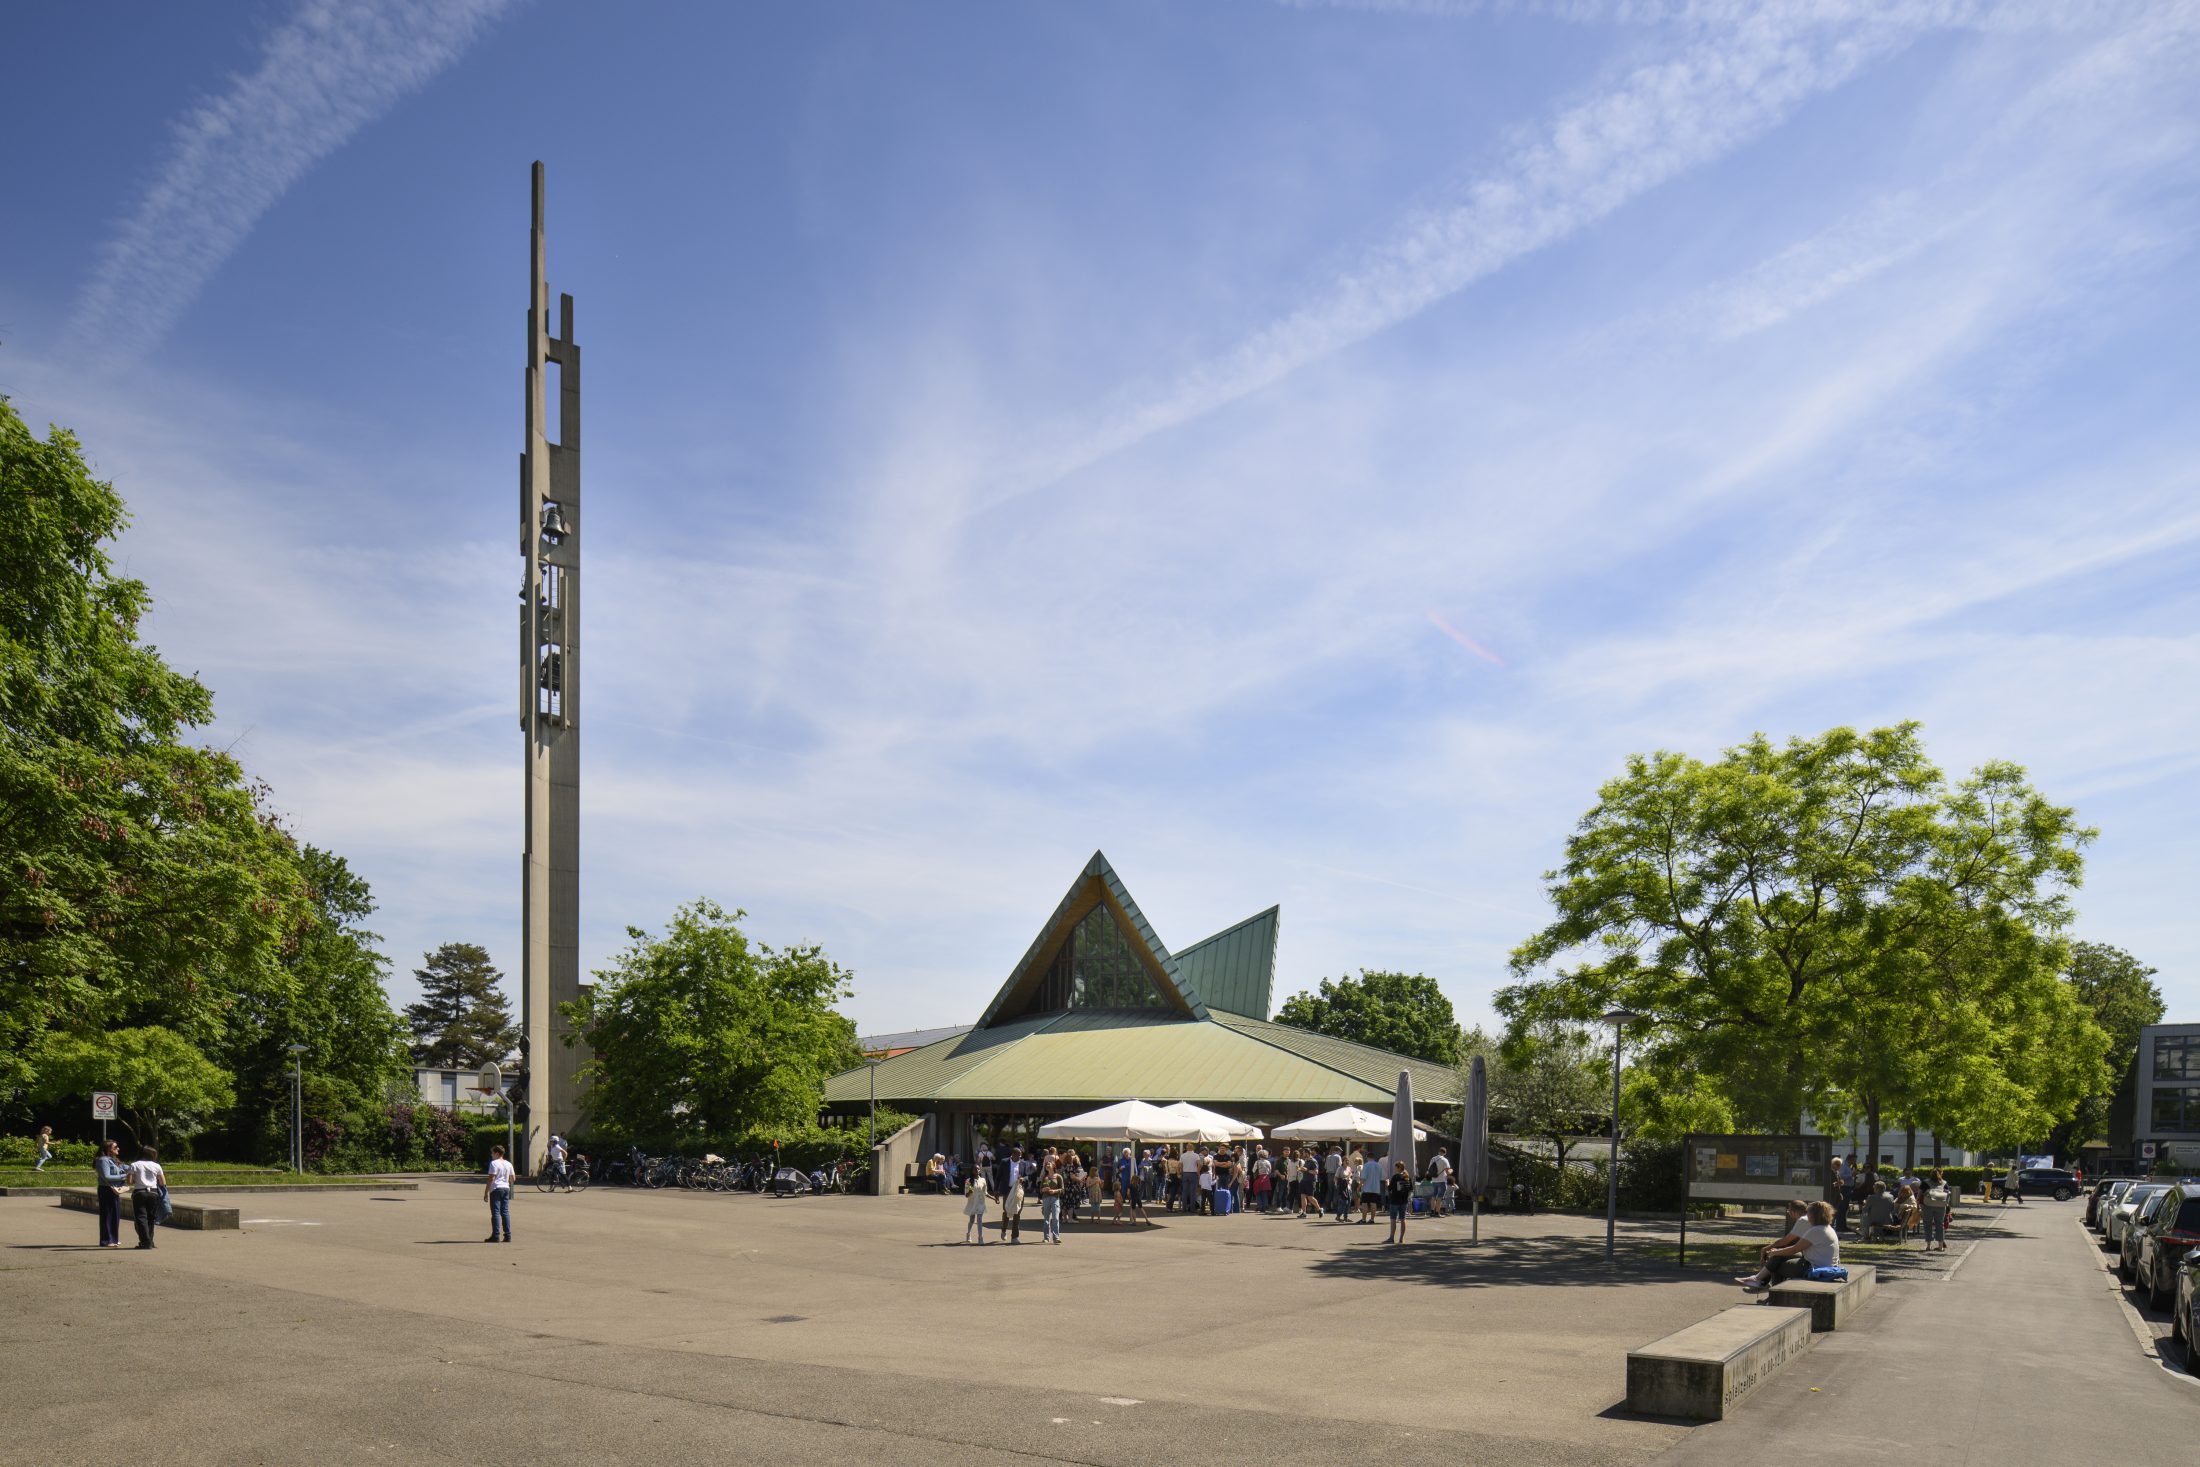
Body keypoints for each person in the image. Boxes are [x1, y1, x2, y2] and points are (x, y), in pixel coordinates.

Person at [1739, 1200, 1839, 1291]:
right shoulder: (1826, 1228)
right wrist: (1777, 1252)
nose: (1806, 1215)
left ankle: (1772, 1293)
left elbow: (1794, 1249)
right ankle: (1760, 1282)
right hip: (1827, 1266)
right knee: (1778, 1256)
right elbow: (1797, 1247)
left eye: (1808, 1213)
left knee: (1777, 1265)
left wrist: (1774, 1252)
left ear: (1813, 1215)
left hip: (1815, 1268)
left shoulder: (1815, 1230)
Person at [1733, 1199, 1809, 1288]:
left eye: (1788, 1211)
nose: (1789, 1213)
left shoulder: (1803, 1220)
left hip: (1809, 1261)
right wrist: (1778, 1250)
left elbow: (1785, 1241)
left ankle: (1761, 1282)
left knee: (1776, 1257)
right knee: (1777, 1254)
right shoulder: (1808, 1219)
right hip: (1808, 1256)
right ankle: (1763, 1285)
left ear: (1793, 1212)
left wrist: (1766, 1248)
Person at [127, 1146, 167, 1250]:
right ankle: (150, 1241)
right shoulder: (157, 1166)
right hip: (153, 1193)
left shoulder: (134, 1165)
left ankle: (145, 1242)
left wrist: (138, 1179)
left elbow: (129, 1182)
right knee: (151, 1218)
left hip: (139, 1192)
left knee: (141, 1218)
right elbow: (163, 1182)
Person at [93, 1139, 128, 1247]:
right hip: (106, 1190)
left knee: (115, 1215)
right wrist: (124, 1176)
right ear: (108, 1149)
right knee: (107, 1215)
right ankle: (106, 1240)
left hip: (114, 1190)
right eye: (115, 1147)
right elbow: (106, 1176)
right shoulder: (103, 1160)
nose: (118, 1149)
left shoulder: (113, 1160)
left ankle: (114, 1239)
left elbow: (127, 1167)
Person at [483, 1145, 515, 1242]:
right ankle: (507, 1235)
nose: (491, 1155)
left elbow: (491, 1178)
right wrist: (506, 1182)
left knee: (495, 1213)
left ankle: (496, 1235)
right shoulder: (508, 1164)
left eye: (492, 1153)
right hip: (506, 1188)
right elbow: (513, 1178)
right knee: (505, 1212)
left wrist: (486, 1192)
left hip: (496, 1188)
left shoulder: (494, 1163)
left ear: (497, 1153)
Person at [998, 1147, 1027, 1243]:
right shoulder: (1004, 1162)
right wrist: (995, 1191)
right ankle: (1004, 1229)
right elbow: (998, 1176)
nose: (1020, 1157)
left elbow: (1027, 1176)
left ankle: (1014, 1237)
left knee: (1017, 1212)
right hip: (1007, 1190)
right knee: (1007, 1211)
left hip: (1018, 1190)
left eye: (1021, 1155)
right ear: (1013, 1155)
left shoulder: (1023, 1163)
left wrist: (1023, 1179)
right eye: (1018, 1155)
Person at [1920, 1170, 1953, 1251]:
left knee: (1928, 1224)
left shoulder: (1925, 1182)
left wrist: (1919, 1203)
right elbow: (1948, 1193)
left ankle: (1928, 1246)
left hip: (1928, 1205)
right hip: (1941, 1206)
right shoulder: (1944, 1183)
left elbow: (1920, 1194)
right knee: (1940, 1225)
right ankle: (1940, 1246)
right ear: (1940, 1175)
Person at [1384, 1160, 1414, 1244]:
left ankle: (1391, 1237)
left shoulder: (1396, 1177)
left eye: (1396, 1167)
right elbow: (1411, 1190)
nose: (1395, 1169)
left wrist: (1387, 1183)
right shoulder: (1407, 1177)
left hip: (1395, 1200)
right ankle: (1401, 1238)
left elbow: (1390, 1189)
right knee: (1403, 1219)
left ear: (1398, 1167)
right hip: (1404, 1201)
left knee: (1393, 1219)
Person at [962, 1162, 993, 1243]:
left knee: (979, 1220)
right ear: (972, 1171)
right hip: (972, 1203)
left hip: (980, 1203)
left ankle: (980, 1238)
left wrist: (994, 1198)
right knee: (972, 1220)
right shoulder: (968, 1181)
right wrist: (970, 1191)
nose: (977, 1170)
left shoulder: (983, 1180)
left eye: (978, 1169)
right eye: (975, 1169)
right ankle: (968, 1233)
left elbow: (985, 1193)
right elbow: (966, 1195)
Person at [1038, 1158, 1066, 1244]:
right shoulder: (1045, 1177)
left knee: (1055, 1218)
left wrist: (1055, 1191)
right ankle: (1046, 1237)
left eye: (1049, 1164)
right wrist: (1044, 1189)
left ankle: (1056, 1237)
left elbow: (1062, 1190)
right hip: (1046, 1198)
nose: (1047, 1165)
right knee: (1046, 1218)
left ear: (1053, 1165)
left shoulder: (1058, 1176)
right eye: (1046, 1164)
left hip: (1055, 1198)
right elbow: (1040, 1190)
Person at [1427, 1147, 1453, 1218]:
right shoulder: (1445, 1160)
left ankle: (1432, 1212)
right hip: (1442, 1180)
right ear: (1445, 1153)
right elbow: (1448, 1172)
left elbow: (1429, 1169)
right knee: (1440, 1198)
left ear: (1439, 1151)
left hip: (1434, 1180)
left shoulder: (1433, 1159)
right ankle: (1437, 1212)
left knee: (1433, 1196)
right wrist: (1451, 1170)